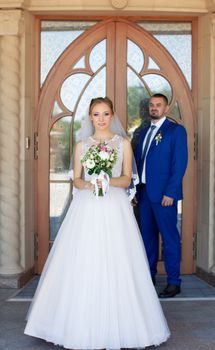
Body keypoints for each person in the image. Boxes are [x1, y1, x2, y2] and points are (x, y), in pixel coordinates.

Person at [24, 97, 170, 349]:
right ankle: (72, 324)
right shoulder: (82, 145)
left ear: (112, 115)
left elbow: (127, 179)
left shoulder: (123, 143)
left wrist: (107, 181)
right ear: (90, 117)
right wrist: (91, 184)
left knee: (118, 259)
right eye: (96, 114)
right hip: (87, 206)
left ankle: (127, 324)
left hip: (114, 207)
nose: (101, 119)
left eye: (105, 114)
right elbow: (77, 180)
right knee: (84, 258)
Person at [134, 93, 188, 298]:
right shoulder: (145, 132)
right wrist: (135, 191)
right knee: (147, 237)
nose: (154, 108)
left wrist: (171, 192)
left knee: (169, 238)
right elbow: (140, 164)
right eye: (151, 105)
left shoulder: (175, 131)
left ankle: (174, 282)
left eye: (158, 105)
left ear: (166, 109)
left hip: (165, 195)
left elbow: (179, 164)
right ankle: (149, 277)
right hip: (146, 193)